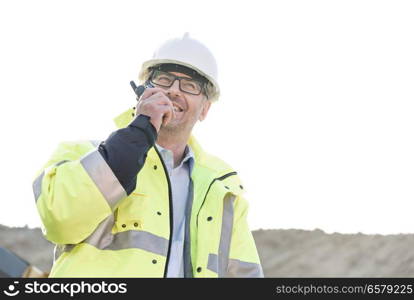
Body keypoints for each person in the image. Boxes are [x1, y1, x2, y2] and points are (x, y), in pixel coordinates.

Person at [32, 33, 263, 278]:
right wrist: (139, 133)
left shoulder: (224, 191)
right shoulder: (83, 154)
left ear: (205, 109)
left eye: (190, 85)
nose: (174, 90)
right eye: (164, 79)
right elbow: (60, 221)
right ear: (143, 91)